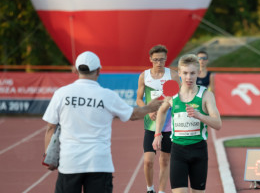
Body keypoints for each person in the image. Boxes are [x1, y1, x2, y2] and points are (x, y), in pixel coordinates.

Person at [43, 51, 163, 193]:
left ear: (75, 70)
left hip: (70, 163)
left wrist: (48, 155)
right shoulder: (107, 96)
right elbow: (133, 114)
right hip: (99, 163)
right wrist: (150, 107)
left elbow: (50, 128)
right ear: (99, 71)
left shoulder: (61, 94)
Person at [152, 54, 222, 193]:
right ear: (179, 73)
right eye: (185, 73)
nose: (188, 77)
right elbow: (161, 111)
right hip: (178, 151)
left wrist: (199, 115)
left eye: (192, 73)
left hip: (199, 151)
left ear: (198, 73)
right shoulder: (172, 93)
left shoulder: (206, 95)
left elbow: (218, 124)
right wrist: (158, 133)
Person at [136, 45, 181, 193]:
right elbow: (138, 99)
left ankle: (161, 191)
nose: (159, 62)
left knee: (165, 160)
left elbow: (180, 98)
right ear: (150, 59)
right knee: (148, 161)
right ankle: (150, 189)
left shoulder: (173, 75)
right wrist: (147, 110)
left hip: (168, 126)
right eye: (155, 60)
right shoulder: (144, 76)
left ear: (166, 58)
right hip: (150, 125)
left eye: (162, 59)